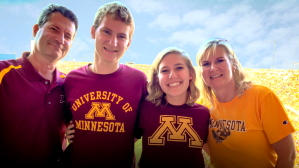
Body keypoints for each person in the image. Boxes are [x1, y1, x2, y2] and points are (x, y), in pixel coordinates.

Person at [59, 1, 147, 167]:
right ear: (93, 31)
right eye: (107, 31)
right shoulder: (71, 79)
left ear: (128, 43)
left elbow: (140, 129)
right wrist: (67, 128)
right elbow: (63, 120)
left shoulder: (139, 81)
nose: (113, 42)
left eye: (121, 36)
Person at [196, 37, 296, 168]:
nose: (213, 68)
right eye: (206, 64)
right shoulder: (203, 107)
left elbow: (288, 155)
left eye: (220, 60)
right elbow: (208, 148)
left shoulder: (261, 97)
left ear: (233, 64)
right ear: (201, 71)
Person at [0, 3, 78, 167]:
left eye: (68, 36)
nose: (60, 39)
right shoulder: (3, 73)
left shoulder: (70, 83)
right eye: (54, 29)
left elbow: (76, 124)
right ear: (36, 30)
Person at [135, 47, 210, 168]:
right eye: (164, 70)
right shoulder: (145, 108)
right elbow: (121, 146)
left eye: (179, 68)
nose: (172, 75)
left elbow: (216, 153)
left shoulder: (204, 114)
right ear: (157, 78)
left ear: (190, 74)